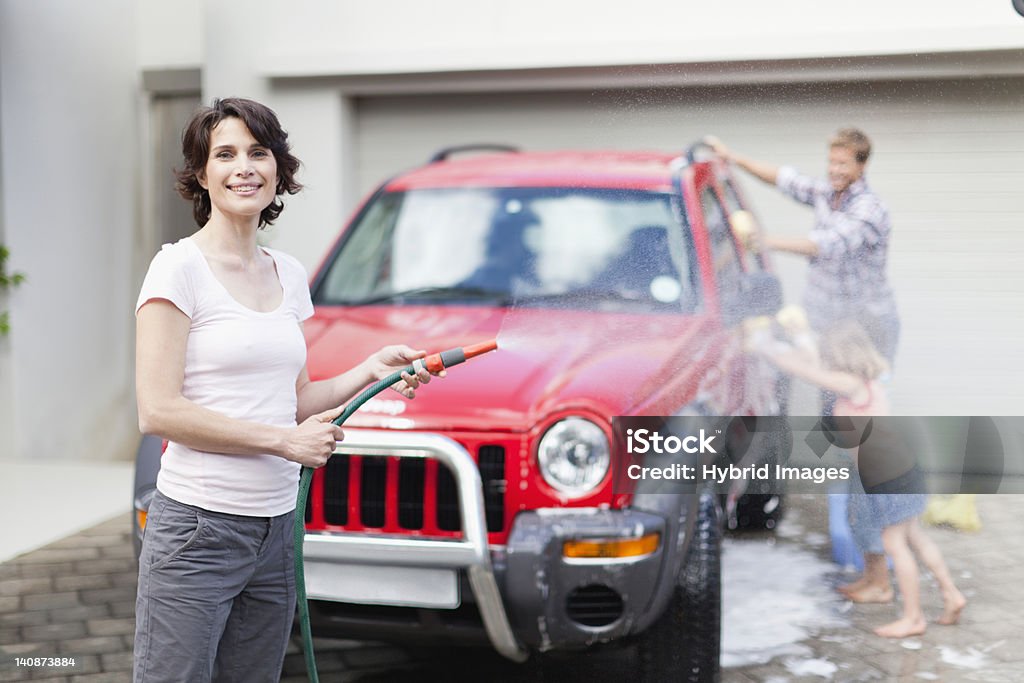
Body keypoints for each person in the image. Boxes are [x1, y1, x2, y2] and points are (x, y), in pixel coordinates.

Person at [133, 97, 441, 682]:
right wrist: (283, 444)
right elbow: (158, 410)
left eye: (258, 152)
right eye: (225, 154)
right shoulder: (178, 269)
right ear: (202, 174)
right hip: (199, 528)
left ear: (278, 169)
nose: (243, 167)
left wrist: (368, 370)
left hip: (275, 531)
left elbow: (292, 401)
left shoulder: (288, 273)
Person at [748, 319, 966, 638]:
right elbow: (812, 362)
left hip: (889, 477)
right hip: (899, 470)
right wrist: (793, 340)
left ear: (841, 354)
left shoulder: (854, 385)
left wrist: (765, 348)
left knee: (896, 544)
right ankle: (951, 594)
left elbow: (811, 372)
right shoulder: (871, 379)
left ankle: (913, 618)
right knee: (916, 538)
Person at [706, 129, 899, 366]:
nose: (834, 170)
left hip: (867, 325)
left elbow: (826, 244)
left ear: (862, 165)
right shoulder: (827, 194)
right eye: (831, 162)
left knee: (863, 395)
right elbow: (782, 178)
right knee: (830, 392)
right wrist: (732, 158)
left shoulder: (869, 209)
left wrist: (764, 242)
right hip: (830, 321)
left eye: (842, 164)